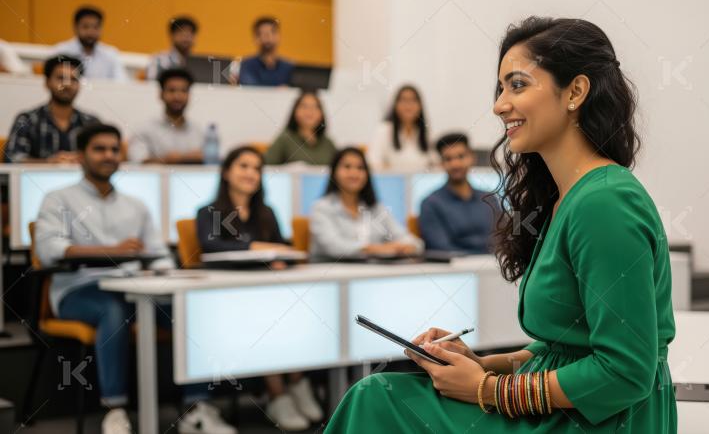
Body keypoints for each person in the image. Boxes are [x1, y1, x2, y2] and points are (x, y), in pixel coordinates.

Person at [325, 16, 676, 433]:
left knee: (378, 399)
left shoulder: (604, 203)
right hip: (573, 412)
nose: (499, 105)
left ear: (576, 92)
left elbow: (625, 371)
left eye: (518, 85)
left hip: (601, 421)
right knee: (382, 396)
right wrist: (478, 365)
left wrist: (488, 389)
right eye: (501, 88)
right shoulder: (570, 197)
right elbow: (565, 349)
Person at [35, 123, 235, 434]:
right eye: (99, 149)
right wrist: (111, 251)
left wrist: (167, 274)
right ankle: (114, 410)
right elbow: (50, 251)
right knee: (113, 309)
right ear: (81, 156)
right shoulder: (58, 199)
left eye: (115, 149)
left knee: (188, 310)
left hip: (133, 289)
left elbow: (158, 253)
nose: (108, 155)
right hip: (78, 290)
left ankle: (197, 410)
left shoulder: (136, 205)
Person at [196, 146, 324, 431]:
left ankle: (296, 381)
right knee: (269, 316)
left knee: (292, 311)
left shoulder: (266, 212)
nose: (251, 173)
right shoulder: (208, 212)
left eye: (256, 168)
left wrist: (278, 259)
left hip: (268, 292)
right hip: (228, 298)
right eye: (243, 166)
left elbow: (282, 248)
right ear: (227, 172)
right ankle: (277, 393)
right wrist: (257, 246)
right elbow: (211, 246)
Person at [310, 147, 423, 259]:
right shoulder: (322, 207)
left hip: (372, 272)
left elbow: (408, 239)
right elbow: (334, 247)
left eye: (360, 168)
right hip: (333, 273)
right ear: (334, 172)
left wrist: (408, 246)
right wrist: (374, 249)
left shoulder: (376, 208)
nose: (354, 173)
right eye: (347, 167)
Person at [5, 55, 98, 163]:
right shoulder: (27, 120)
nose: (67, 85)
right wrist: (48, 163)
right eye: (61, 78)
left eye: (73, 79)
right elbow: (11, 159)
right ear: (47, 83)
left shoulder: (92, 123)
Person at [418, 133, 499, 254]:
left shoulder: (489, 198)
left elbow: (502, 238)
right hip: (457, 270)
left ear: (472, 158)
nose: (455, 164)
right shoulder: (430, 204)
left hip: (493, 267)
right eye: (448, 159)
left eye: (461, 157)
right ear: (441, 163)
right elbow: (441, 247)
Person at [128, 68, 205, 164]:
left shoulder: (200, 132)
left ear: (189, 95)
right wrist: (173, 160)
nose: (178, 96)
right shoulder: (144, 129)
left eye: (183, 91)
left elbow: (212, 162)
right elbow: (138, 162)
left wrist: (179, 158)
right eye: (172, 90)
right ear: (160, 94)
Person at [367, 85, 438, 170]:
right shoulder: (384, 129)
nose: (408, 105)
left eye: (413, 100)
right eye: (403, 100)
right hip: (391, 181)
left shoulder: (427, 133)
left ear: (420, 106)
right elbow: (372, 163)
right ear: (395, 105)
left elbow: (437, 164)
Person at [54, 6, 127, 81]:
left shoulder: (110, 54)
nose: (90, 32)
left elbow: (121, 83)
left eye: (95, 27)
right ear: (75, 27)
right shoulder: (61, 52)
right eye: (86, 27)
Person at [264, 91, 337, 165]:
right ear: (295, 112)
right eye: (304, 106)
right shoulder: (284, 139)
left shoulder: (328, 143)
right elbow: (267, 166)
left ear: (322, 114)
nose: (310, 111)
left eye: (315, 107)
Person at [237, 17, 294, 86]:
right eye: (262, 33)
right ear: (256, 38)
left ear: (279, 36)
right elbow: (250, 88)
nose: (268, 37)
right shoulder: (247, 65)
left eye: (273, 32)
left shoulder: (288, 67)